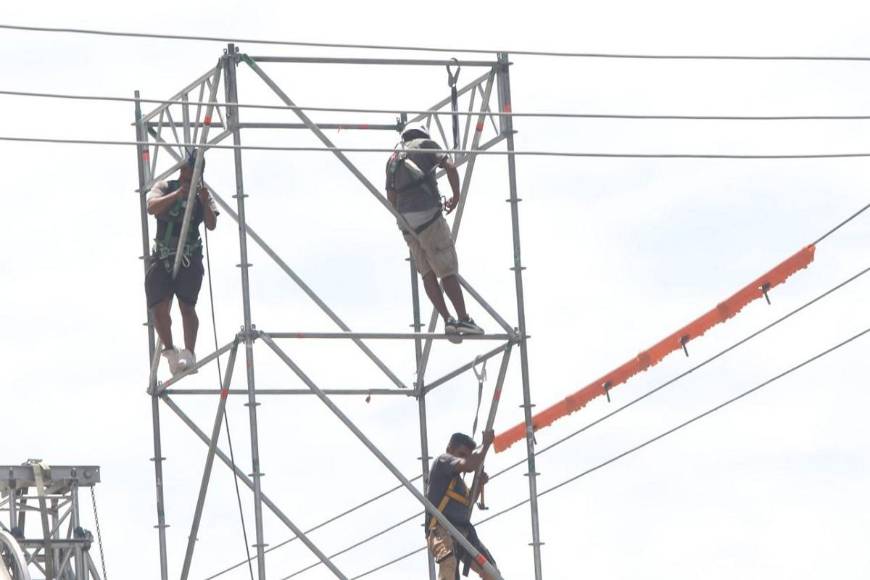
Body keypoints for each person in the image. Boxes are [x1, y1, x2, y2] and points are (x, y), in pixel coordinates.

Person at [386, 124, 483, 341]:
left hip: (408, 225)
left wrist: (404, 221)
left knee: (427, 272)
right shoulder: (425, 145)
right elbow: (449, 167)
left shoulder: (393, 158)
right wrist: (456, 196)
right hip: (429, 218)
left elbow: (390, 196)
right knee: (446, 267)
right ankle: (464, 318)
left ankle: (448, 320)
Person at [144, 151, 218, 375]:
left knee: (187, 306)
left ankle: (189, 353)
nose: (187, 175)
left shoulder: (202, 195)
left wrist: (204, 202)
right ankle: (170, 352)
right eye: (186, 170)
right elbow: (152, 206)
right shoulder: (166, 186)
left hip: (189, 256)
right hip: (164, 255)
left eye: (192, 172)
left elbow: (211, 224)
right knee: (158, 308)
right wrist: (176, 195)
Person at [426, 430, 499, 580]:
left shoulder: (459, 484)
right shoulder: (443, 461)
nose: (464, 458)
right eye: (461, 453)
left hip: (462, 534)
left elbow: (468, 505)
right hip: (440, 530)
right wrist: (485, 445)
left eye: (467, 455)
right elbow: (469, 465)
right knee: (449, 563)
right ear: (450, 449)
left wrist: (479, 485)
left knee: (491, 572)